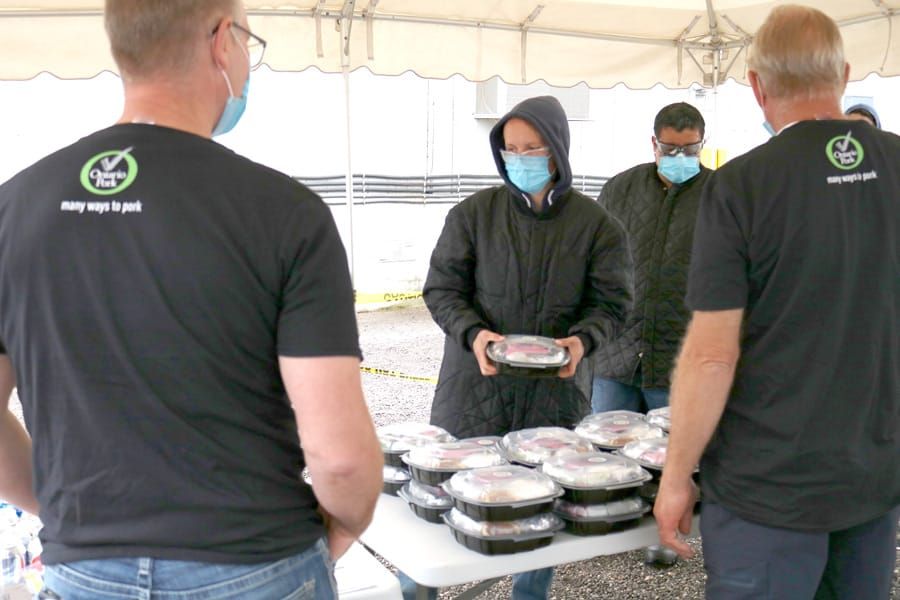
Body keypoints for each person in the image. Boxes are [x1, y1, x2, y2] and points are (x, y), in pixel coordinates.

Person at [0, 1, 383, 598]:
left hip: (83, 572)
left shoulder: (13, 209)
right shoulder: (286, 215)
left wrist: (69, 518)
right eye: (248, 44)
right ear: (221, 41)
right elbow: (338, 458)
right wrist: (341, 529)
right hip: (258, 564)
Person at [655, 5, 900, 600]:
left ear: (757, 86)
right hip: (872, 476)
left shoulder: (741, 185)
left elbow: (712, 355)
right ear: (842, 75)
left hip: (767, 489)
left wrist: (675, 474)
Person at [415, 95, 633, 600]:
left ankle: (529, 594)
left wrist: (581, 343)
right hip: (474, 391)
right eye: (510, 149)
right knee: (442, 503)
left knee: (537, 513)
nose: (520, 159)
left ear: (557, 150)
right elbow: (442, 290)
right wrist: (474, 335)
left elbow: (614, 305)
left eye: (531, 148)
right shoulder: (473, 214)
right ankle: (420, 591)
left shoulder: (598, 226)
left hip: (552, 397)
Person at [590, 102, 712, 415]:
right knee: (607, 456)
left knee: (675, 459)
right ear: (653, 144)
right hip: (616, 360)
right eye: (670, 149)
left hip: (681, 362)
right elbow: (594, 264)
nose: (681, 156)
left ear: (702, 144)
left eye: (690, 148)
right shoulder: (620, 189)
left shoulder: (721, 194)